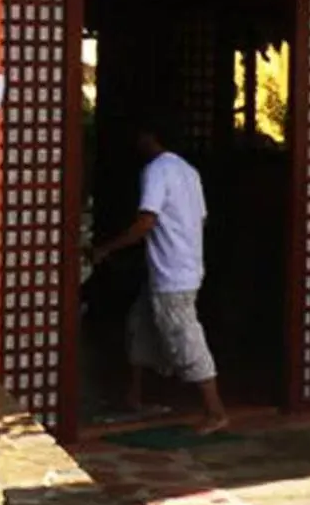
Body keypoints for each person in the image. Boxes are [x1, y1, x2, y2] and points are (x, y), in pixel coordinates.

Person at [88, 115, 230, 434]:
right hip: (180, 268)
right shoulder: (189, 172)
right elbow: (200, 219)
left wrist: (107, 248)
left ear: (149, 136)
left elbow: (146, 221)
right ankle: (135, 396)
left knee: (185, 338)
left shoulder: (156, 171)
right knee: (140, 325)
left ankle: (215, 410)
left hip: (172, 275)